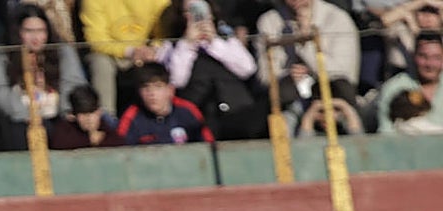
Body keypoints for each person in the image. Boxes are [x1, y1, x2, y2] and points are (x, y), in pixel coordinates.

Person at [154, 0, 264, 140]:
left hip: (237, 111)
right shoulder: (172, 46)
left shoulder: (226, 39)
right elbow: (176, 80)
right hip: (198, 117)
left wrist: (214, 42)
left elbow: (248, 69)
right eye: (191, 11)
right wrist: (188, 44)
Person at [0, 3, 86, 151]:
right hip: (19, 119)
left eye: (41, 31)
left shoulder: (62, 51)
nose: (36, 37)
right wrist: (27, 116)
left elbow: (75, 83)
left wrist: (66, 111)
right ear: (18, 31)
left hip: (56, 116)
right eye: (29, 31)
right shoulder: (0, 54)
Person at [255, 0, 359, 131]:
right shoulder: (268, 21)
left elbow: (345, 71)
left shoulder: (336, 17)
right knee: (283, 107)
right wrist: (290, 74)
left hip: (332, 93)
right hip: (291, 94)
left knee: (342, 93)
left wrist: (305, 42)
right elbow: (264, 76)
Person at [80, 0, 170, 114]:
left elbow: (164, 29)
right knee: (100, 63)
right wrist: (129, 51)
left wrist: (153, 49)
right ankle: (107, 118)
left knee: (163, 56)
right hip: (108, 53)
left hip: (144, 49)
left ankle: (162, 115)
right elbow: (96, 39)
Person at [117, 60, 213, 143]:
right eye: (145, 87)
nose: (151, 93)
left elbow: (208, 146)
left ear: (170, 90)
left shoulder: (187, 110)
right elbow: (120, 153)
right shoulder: (131, 117)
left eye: (158, 87)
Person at [377, 32, 443, 132]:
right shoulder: (394, 88)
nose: (430, 64)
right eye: (423, 56)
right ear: (413, 56)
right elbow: (386, 131)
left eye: (436, 57)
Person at [47, 82, 126, 148]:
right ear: (74, 116)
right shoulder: (64, 131)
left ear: (99, 112)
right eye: (83, 114)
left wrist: (101, 140)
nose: (88, 119)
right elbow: (59, 145)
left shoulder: (106, 130)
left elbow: (120, 146)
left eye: (92, 113)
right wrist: (89, 140)